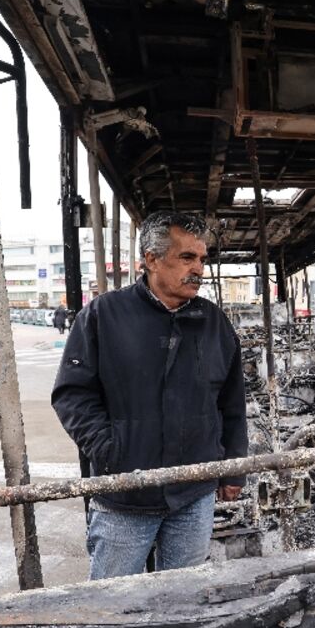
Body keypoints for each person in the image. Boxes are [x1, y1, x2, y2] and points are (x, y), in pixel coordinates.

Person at [52, 211, 246, 579]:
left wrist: (233, 468)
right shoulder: (103, 315)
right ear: (152, 259)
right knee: (113, 597)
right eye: (186, 257)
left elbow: (232, 403)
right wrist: (110, 450)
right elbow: (72, 394)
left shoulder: (215, 323)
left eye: (202, 259)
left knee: (181, 594)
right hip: (125, 494)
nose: (199, 269)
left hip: (194, 492)